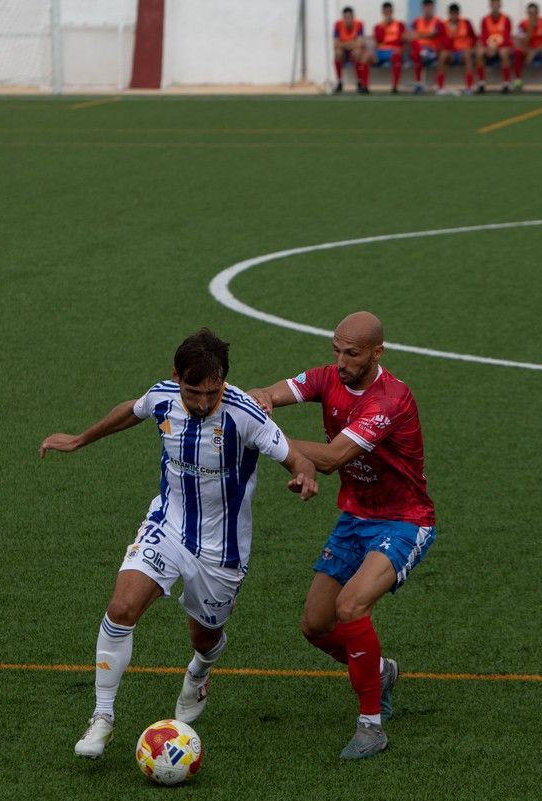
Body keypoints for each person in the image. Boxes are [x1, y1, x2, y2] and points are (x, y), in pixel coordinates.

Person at [40, 329, 319, 759]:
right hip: (167, 526)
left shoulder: (246, 414)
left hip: (222, 552)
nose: (204, 402)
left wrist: (304, 475)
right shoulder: (163, 396)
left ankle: (199, 672)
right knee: (121, 609)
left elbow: (295, 456)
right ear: (176, 377)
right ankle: (102, 717)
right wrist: (80, 439)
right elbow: (131, 411)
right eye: (194, 392)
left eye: (213, 392)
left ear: (224, 380)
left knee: (204, 638)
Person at [246, 312, 437, 761]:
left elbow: (332, 458)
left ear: (377, 353)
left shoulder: (389, 400)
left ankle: (371, 725)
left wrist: (260, 436)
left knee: (351, 606)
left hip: (403, 520)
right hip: (356, 516)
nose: (341, 361)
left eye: (352, 353)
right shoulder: (327, 378)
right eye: (336, 350)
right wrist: (256, 401)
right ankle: (381, 672)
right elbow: (273, 393)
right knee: (316, 624)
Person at [409, 0, 447, 95]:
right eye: (425, 7)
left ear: (432, 8)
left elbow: (439, 36)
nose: (427, 9)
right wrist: (428, 35)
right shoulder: (416, 21)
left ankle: (440, 87)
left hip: (433, 50)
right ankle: (419, 84)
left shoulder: (438, 22)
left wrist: (419, 35)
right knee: (416, 53)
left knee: (442, 57)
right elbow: (410, 36)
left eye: (429, 7)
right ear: (422, 8)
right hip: (420, 50)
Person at [515, 3, 542, 93]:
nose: (532, 15)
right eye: (530, 13)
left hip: (540, 49)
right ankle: (518, 81)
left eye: (534, 13)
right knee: (517, 51)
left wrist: (534, 52)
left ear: (538, 12)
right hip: (528, 50)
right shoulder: (523, 24)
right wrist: (530, 29)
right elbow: (522, 43)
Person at [477, 0, 515, 94]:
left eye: (497, 4)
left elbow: (506, 37)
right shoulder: (485, 19)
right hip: (489, 47)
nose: (495, 6)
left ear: (500, 5)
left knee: (504, 53)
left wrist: (496, 47)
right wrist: (488, 47)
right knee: (479, 52)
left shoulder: (506, 19)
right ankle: (481, 83)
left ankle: (506, 84)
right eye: (493, 4)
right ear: (490, 5)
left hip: (502, 46)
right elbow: (483, 37)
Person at [370, 2, 406, 94]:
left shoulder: (399, 24)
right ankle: (364, 86)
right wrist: (384, 26)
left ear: (392, 11)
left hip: (393, 51)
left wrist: (399, 47)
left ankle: (394, 86)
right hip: (381, 52)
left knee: (397, 56)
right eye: (385, 11)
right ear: (382, 12)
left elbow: (402, 40)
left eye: (389, 11)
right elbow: (378, 40)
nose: (387, 13)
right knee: (365, 57)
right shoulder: (378, 26)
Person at [441, 3, 477, 94]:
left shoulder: (466, 23)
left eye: (455, 13)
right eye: (452, 13)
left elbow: (473, 38)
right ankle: (440, 87)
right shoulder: (444, 25)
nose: (454, 16)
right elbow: (443, 42)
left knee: (468, 56)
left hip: (464, 52)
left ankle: (469, 87)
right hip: (451, 52)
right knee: (442, 55)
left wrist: (472, 48)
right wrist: (452, 34)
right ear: (449, 13)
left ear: (458, 13)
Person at [333, 7, 370, 94]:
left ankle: (359, 81)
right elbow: (336, 44)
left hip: (353, 51)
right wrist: (351, 44)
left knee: (357, 53)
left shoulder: (359, 24)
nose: (348, 19)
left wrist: (345, 44)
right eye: (346, 17)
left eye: (350, 17)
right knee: (337, 53)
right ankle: (339, 82)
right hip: (344, 51)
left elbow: (360, 43)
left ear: (353, 17)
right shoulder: (338, 25)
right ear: (343, 17)